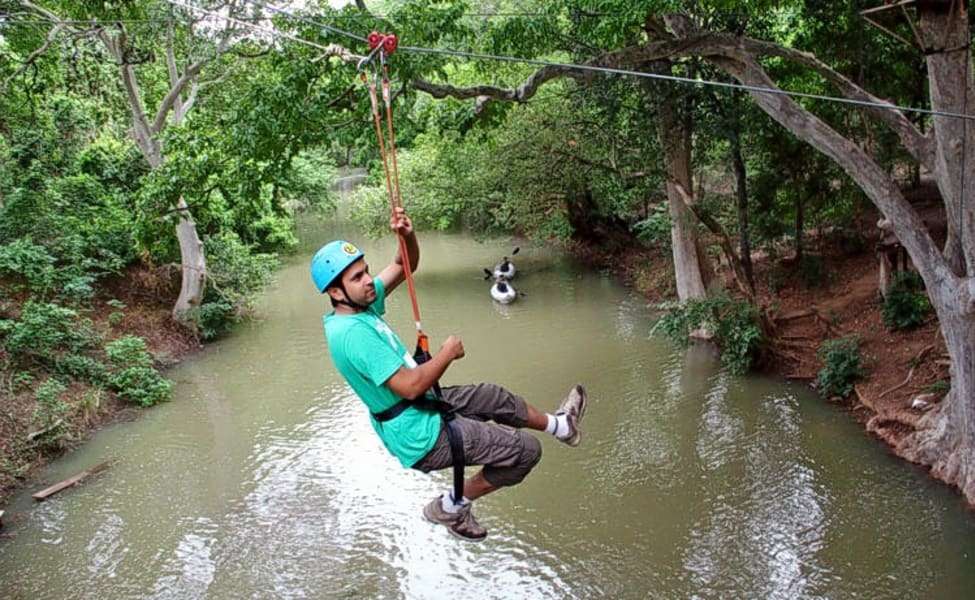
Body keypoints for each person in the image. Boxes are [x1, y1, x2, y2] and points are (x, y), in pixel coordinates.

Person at [311, 207, 588, 542]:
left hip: (420, 406)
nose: (368, 279)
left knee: (492, 396)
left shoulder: (360, 306)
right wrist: (446, 353)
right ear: (335, 292)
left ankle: (562, 426)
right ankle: (452, 505)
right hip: (418, 433)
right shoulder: (352, 334)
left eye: (366, 271)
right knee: (525, 451)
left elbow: (404, 265)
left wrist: (407, 235)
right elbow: (410, 386)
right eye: (357, 278)